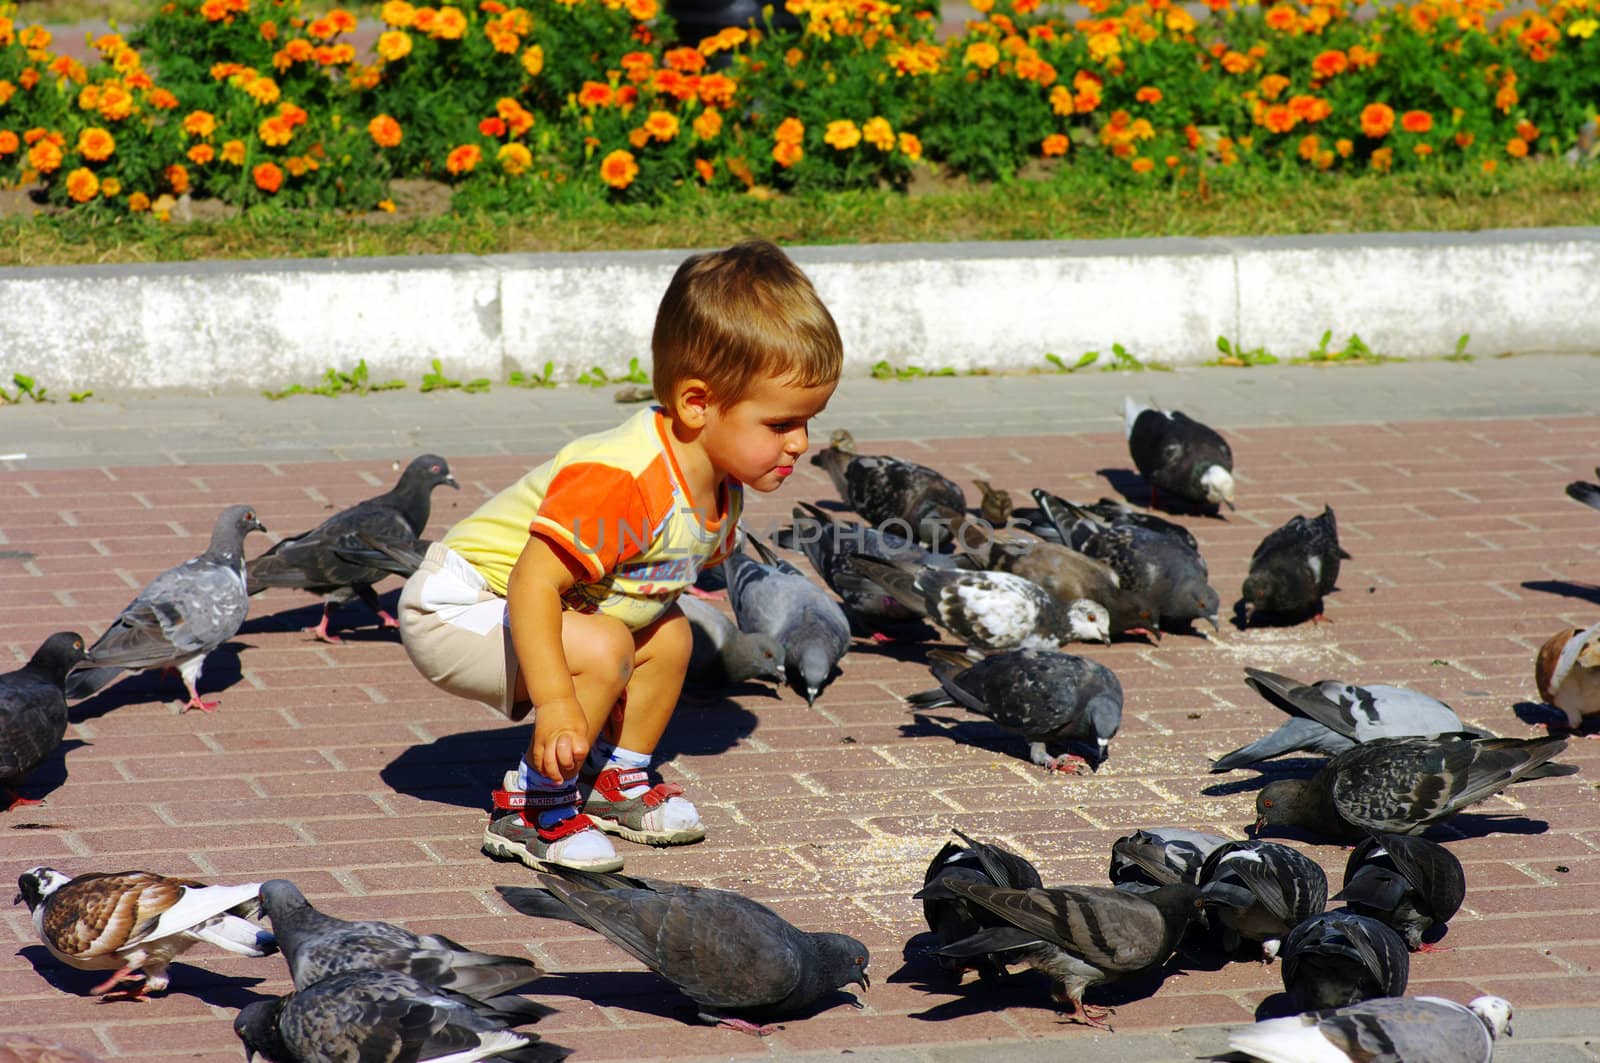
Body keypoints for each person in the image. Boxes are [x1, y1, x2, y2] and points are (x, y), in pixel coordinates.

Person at [398, 239, 842, 871]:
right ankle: (530, 804)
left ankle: (615, 780)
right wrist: (555, 703)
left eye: (810, 420)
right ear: (697, 404)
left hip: (547, 603)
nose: (801, 442)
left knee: (669, 634)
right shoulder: (622, 480)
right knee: (607, 646)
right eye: (780, 424)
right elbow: (531, 584)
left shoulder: (718, 483)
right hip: (459, 605)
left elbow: (657, 571)